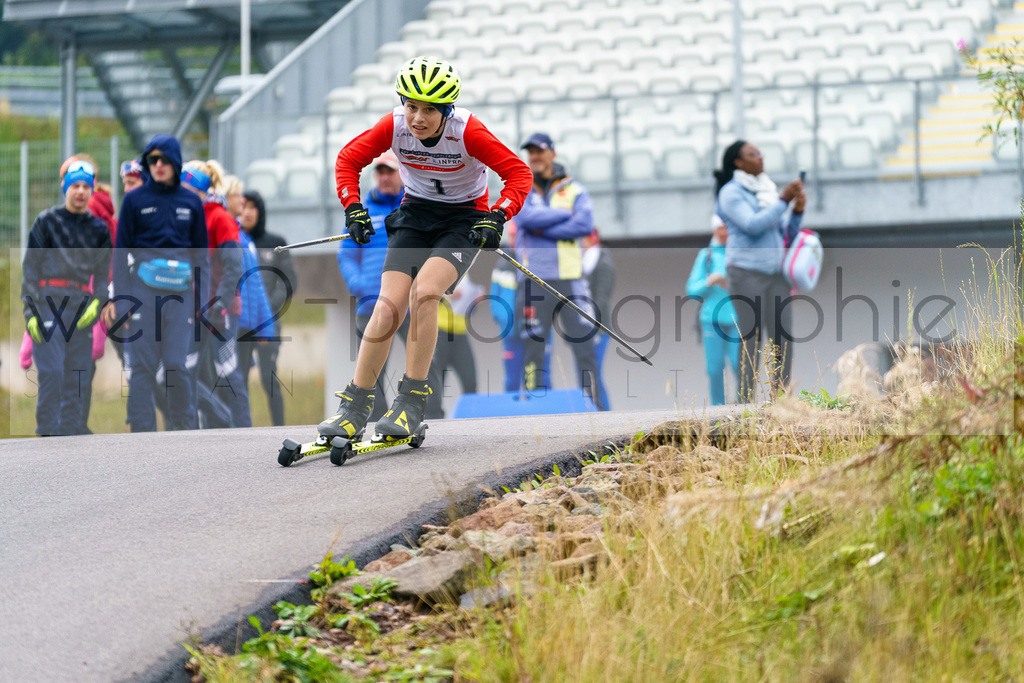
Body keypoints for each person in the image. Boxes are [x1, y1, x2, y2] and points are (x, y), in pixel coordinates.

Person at [319, 55, 532, 443]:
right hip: (416, 213)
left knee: (425, 293)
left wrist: (499, 215)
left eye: (430, 110)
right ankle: (355, 406)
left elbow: (519, 174)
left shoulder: (468, 131)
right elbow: (348, 159)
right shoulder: (394, 125)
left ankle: (413, 402)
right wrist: (352, 207)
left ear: (446, 110)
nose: (418, 118)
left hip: (463, 218)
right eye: (411, 106)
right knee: (387, 306)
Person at [109, 134, 209, 432]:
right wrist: (122, 302)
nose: (159, 165)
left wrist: (201, 302)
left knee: (176, 364)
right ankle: (141, 433)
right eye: (153, 160)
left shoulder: (191, 202)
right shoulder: (133, 200)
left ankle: (184, 429)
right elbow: (119, 255)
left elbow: (201, 258)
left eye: (165, 159)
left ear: (175, 162)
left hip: (181, 297)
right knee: (142, 367)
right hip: (142, 294)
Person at [515, 132, 607, 411]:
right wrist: (565, 215)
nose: (534, 156)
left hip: (571, 279)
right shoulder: (521, 186)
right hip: (534, 280)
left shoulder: (575, 190)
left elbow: (584, 225)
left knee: (584, 347)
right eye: (530, 152)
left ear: (552, 154)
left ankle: (592, 407)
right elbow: (525, 219)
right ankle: (534, 408)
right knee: (533, 348)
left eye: (539, 151)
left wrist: (542, 229)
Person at [21, 159, 112, 435]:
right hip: (48, 304)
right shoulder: (46, 221)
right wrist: (30, 312)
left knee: (78, 377)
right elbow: (30, 270)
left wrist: (97, 303)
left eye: (86, 186)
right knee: (51, 373)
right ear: (65, 187)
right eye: (75, 186)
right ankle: (48, 431)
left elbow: (102, 276)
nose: (80, 191)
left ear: (92, 189)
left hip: (81, 307)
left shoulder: (99, 230)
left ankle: (71, 438)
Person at [714, 140, 805, 403]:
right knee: (751, 339)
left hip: (775, 274)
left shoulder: (767, 190)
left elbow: (785, 233)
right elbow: (752, 224)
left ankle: (781, 401)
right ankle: (744, 402)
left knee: (782, 338)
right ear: (738, 162)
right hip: (746, 273)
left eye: (760, 153)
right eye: (753, 154)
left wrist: (797, 210)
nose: (760, 157)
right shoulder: (731, 193)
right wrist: (784, 200)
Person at [180, 159, 252, 428]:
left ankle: (243, 432)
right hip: (194, 309)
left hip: (220, 310)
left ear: (199, 190)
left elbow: (234, 267)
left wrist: (219, 304)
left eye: (186, 189)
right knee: (182, 372)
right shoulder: (187, 219)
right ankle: (205, 426)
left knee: (228, 372)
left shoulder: (219, 217)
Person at [336, 151, 406, 420]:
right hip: (371, 304)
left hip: (409, 303)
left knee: (426, 365)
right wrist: (359, 284)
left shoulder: (412, 208)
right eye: (380, 172)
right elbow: (346, 255)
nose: (385, 177)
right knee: (372, 371)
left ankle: (429, 419)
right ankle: (377, 423)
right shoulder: (362, 212)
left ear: (402, 174)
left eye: (390, 171)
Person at [239, 190, 296, 426]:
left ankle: (278, 429)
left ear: (260, 212)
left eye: (253, 207)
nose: (247, 212)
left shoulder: (276, 243)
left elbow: (288, 283)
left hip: (269, 323)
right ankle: (240, 429)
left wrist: (265, 311)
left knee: (268, 377)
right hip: (240, 324)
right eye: (243, 206)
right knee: (238, 378)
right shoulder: (233, 242)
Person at [686, 214, 741, 405]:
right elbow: (692, 290)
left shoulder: (739, 253)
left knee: (739, 364)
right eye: (720, 228)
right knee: (714, 368)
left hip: (737, 319)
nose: (724, 232)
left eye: (727, 228)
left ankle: (744, 403)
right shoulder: (706, 255)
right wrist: (710, 281)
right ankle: (718, 408)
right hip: (711, 319)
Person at [425, 276, 482, 417]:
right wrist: (445, 295)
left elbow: (468, 309)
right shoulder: (439, 270)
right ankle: (434, 419)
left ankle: (471, 416)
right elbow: (425, 295)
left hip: (460, 333)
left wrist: (475, 301)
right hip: (440, 332)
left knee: (470, 380)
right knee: (437, 381)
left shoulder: (465, 274)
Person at [581, 228, 614, 410]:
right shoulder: (584, 262)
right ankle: (592, 410)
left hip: (598, 327)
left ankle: (602, 412)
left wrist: (592, 324)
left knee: (594, 373)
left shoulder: (602, 263)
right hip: (585, 326)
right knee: (587, 373)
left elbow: (602, 298)